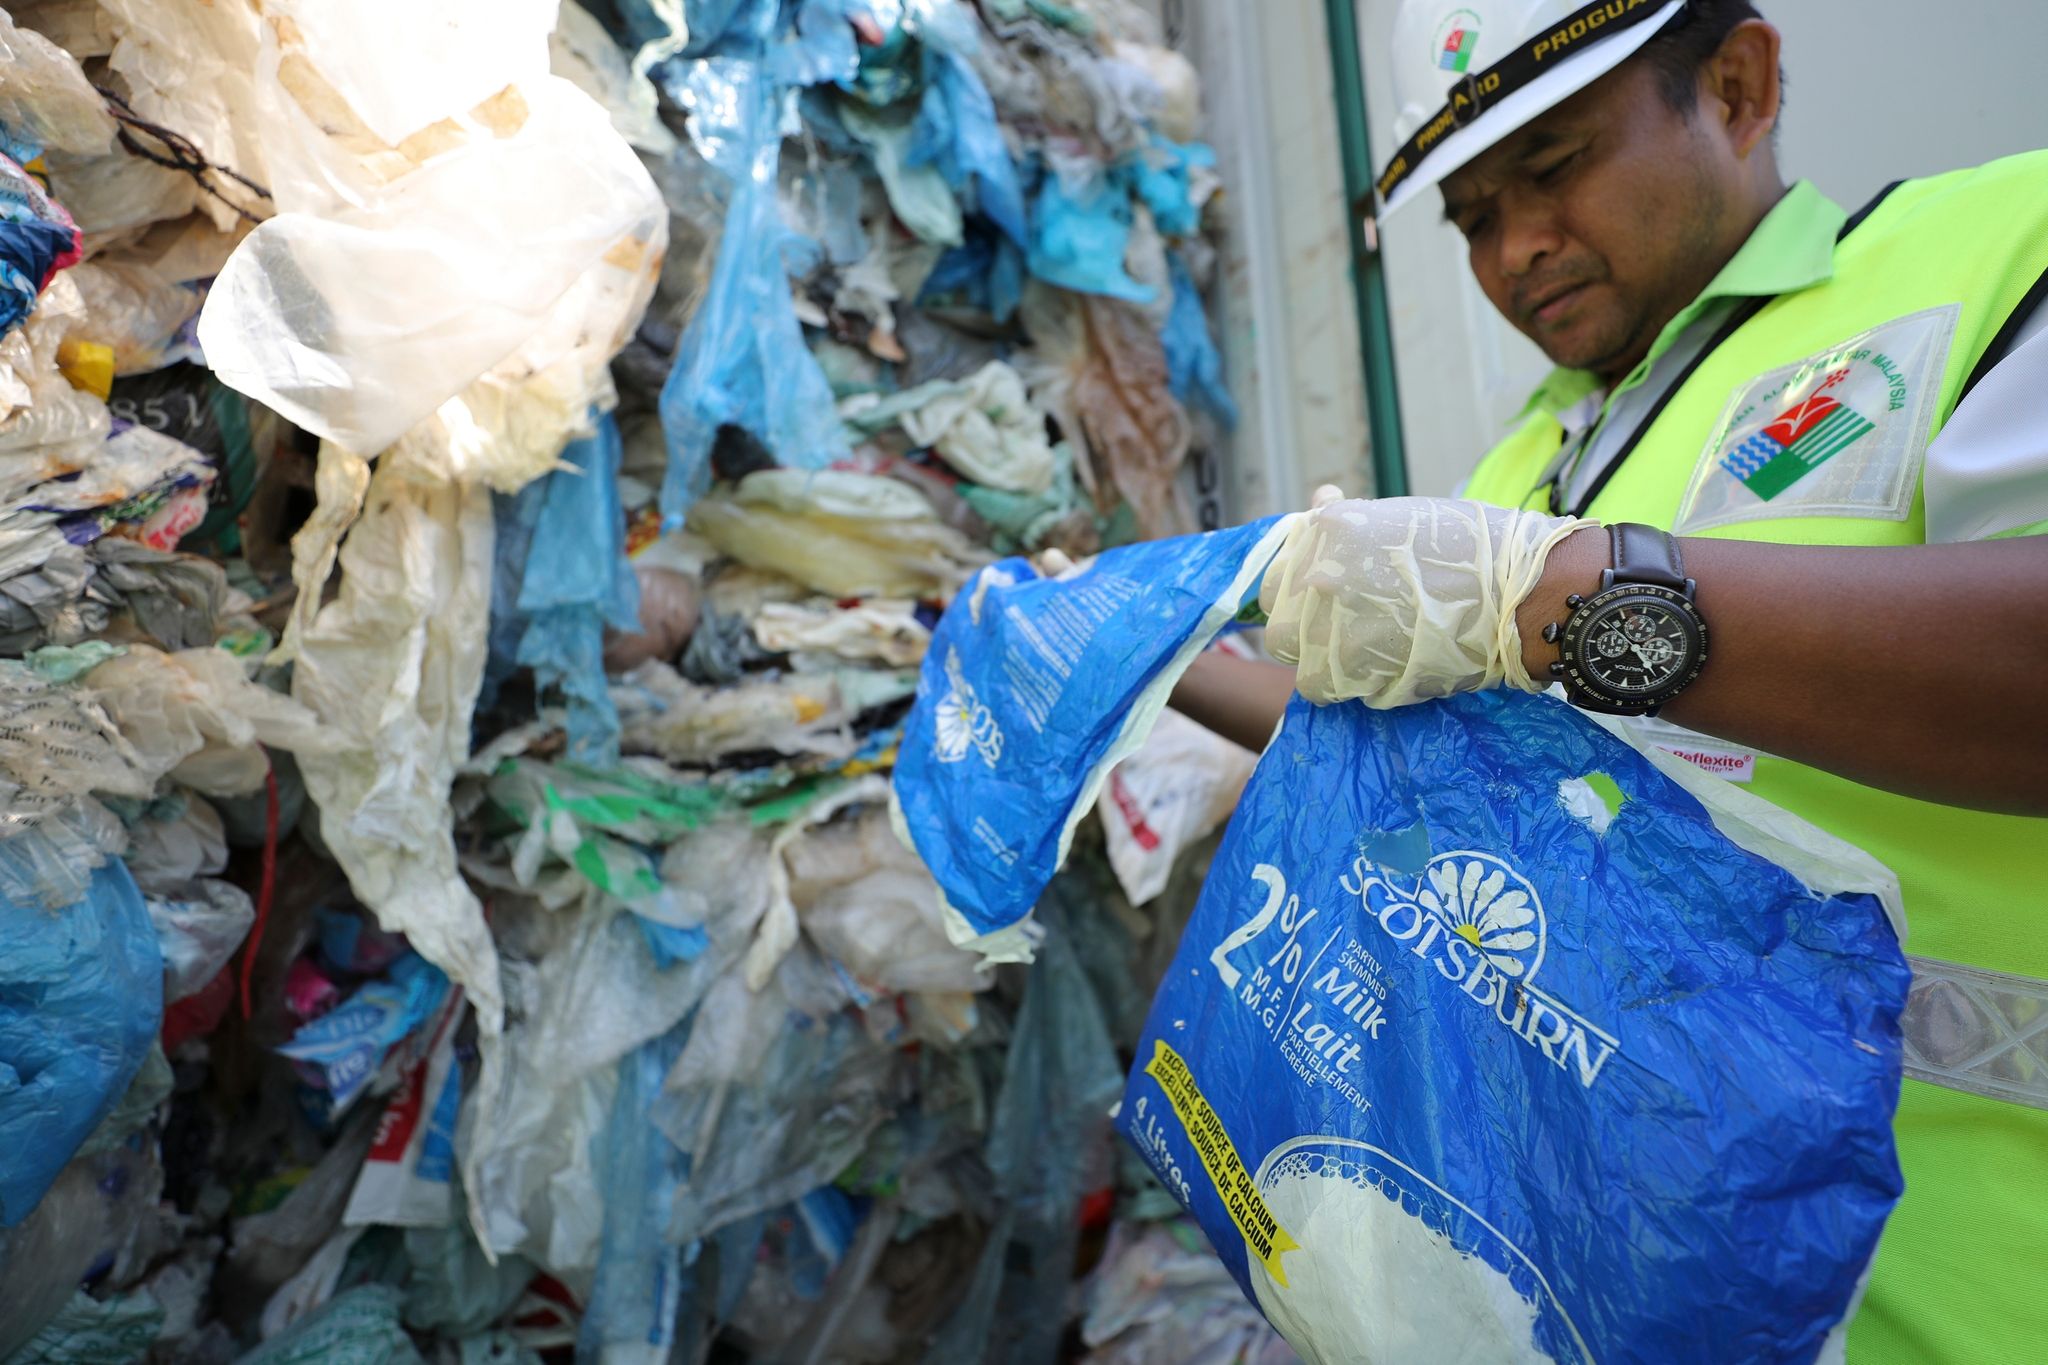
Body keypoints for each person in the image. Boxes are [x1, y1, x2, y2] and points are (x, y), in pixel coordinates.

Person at [1169, 1, 2048, 1359]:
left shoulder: (1991, 253)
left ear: (1742, 86)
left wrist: (1569, 601)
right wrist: (1160, 655)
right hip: (1595, 1280)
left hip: (1947, 1281)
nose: (1516, 247)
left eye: (1558, 164)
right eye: (1470, 217)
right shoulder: (1520, 464)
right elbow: (1410, 738)